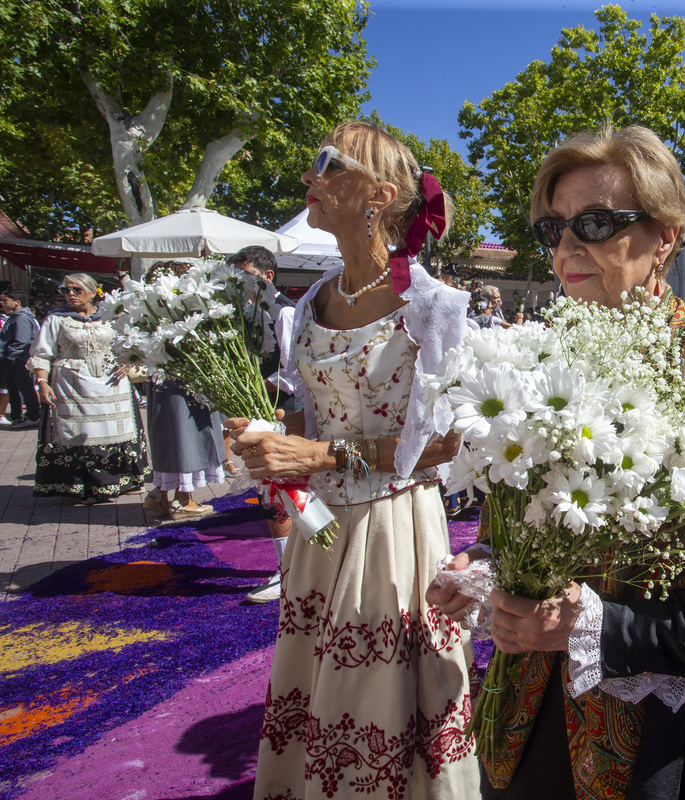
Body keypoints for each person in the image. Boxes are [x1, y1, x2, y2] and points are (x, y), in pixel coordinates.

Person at [429, 125, 685, 800]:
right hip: (526, 718)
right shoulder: (542, 360)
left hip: (659, 748)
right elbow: (534, 522)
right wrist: (489, 563)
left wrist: (597, 625)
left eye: (594, 222)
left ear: (666, 238)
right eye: (551, 229)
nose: (566, 247)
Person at [226, 121, 479, 799]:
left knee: (381, 702)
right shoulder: (306, 306)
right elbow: (306, 428)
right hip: (322, 535)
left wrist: (319, 452)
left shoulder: (433, 306)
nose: (309, 176)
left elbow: (448, 441)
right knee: (318, 698)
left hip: (395, 531)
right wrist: (271, 450)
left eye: (326, 163)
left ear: (379, 194)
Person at [27, 274, 149, 502]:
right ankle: (85, 485)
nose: (70, 294)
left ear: (94, 292)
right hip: (72, 386)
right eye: (65, 290)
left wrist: (129, 361)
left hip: (111, 384)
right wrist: (42, 382)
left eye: (76, 290)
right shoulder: (57, 319)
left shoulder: (111, 316)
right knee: (80, 434)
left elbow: (132, 343)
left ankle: (121, 479)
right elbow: (42, 353)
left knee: (115, 429)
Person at [226, 245, 302, 603]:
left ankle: (290, 573)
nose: (238, 283)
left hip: (286, 411)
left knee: (284, 488)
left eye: (245, 275)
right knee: (269, 492)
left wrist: (255, 390)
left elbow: (292, 373)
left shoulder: (284, 312)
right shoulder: (248, 315)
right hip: (264, 409)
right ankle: (288, 568)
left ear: (266, 276)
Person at [138, 261, 225, 520]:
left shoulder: (149, 309)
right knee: (184, 436)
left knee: (172, 436)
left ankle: (159, 494)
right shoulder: (171, 308)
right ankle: (182, 500)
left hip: (166, 380)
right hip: (181, 381)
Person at [0, 291, 42, 429]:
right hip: (14, 359)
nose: (2, 303)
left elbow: (21, 341)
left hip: (19, 360)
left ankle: (33, 416)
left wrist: (9, 357)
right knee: (13, 389)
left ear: (17, 302)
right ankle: (17, 417)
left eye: (5, 300)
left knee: (26, 388)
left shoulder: (21, 319)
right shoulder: (14, 317)